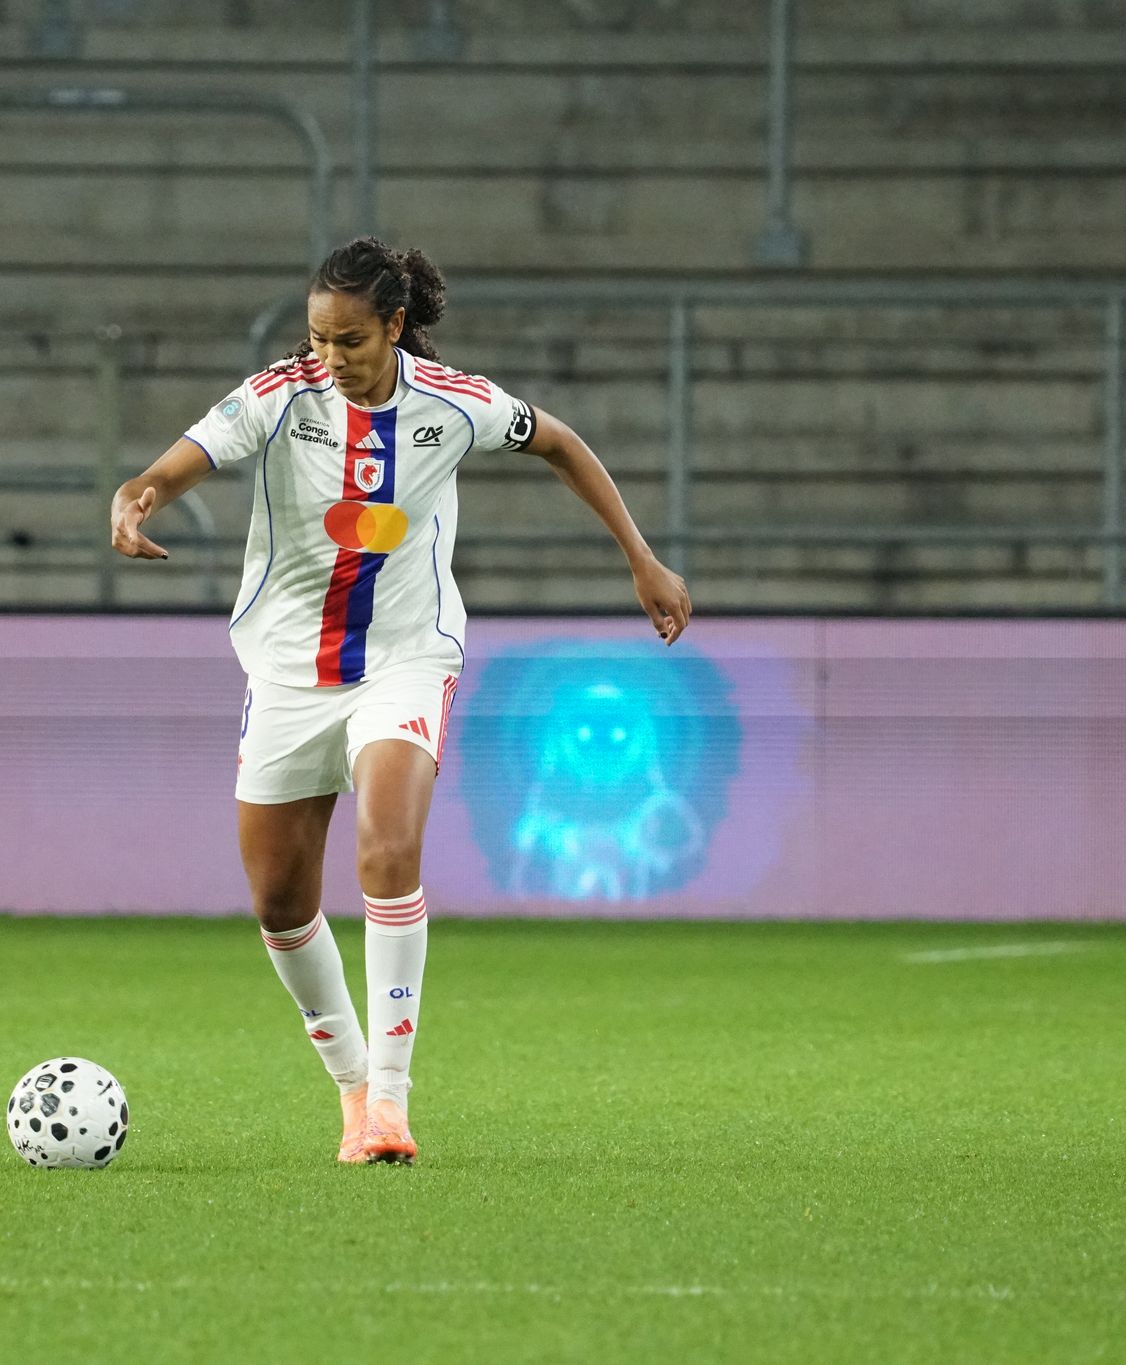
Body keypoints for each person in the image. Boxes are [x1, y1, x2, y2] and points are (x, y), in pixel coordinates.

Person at [107, 237, 691, 1165]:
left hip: (406, 659)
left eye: (349, 340)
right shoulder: (280, 395)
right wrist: (138, 496)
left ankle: (388, 1100)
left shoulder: (453, 404)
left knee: (387, 845)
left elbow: (560, 443)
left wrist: (641, 558)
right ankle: (350, 1087)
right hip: (289, 670)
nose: (330, 358)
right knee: (279, 902)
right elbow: (182, 461)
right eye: (318, 338)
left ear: (394, 325)